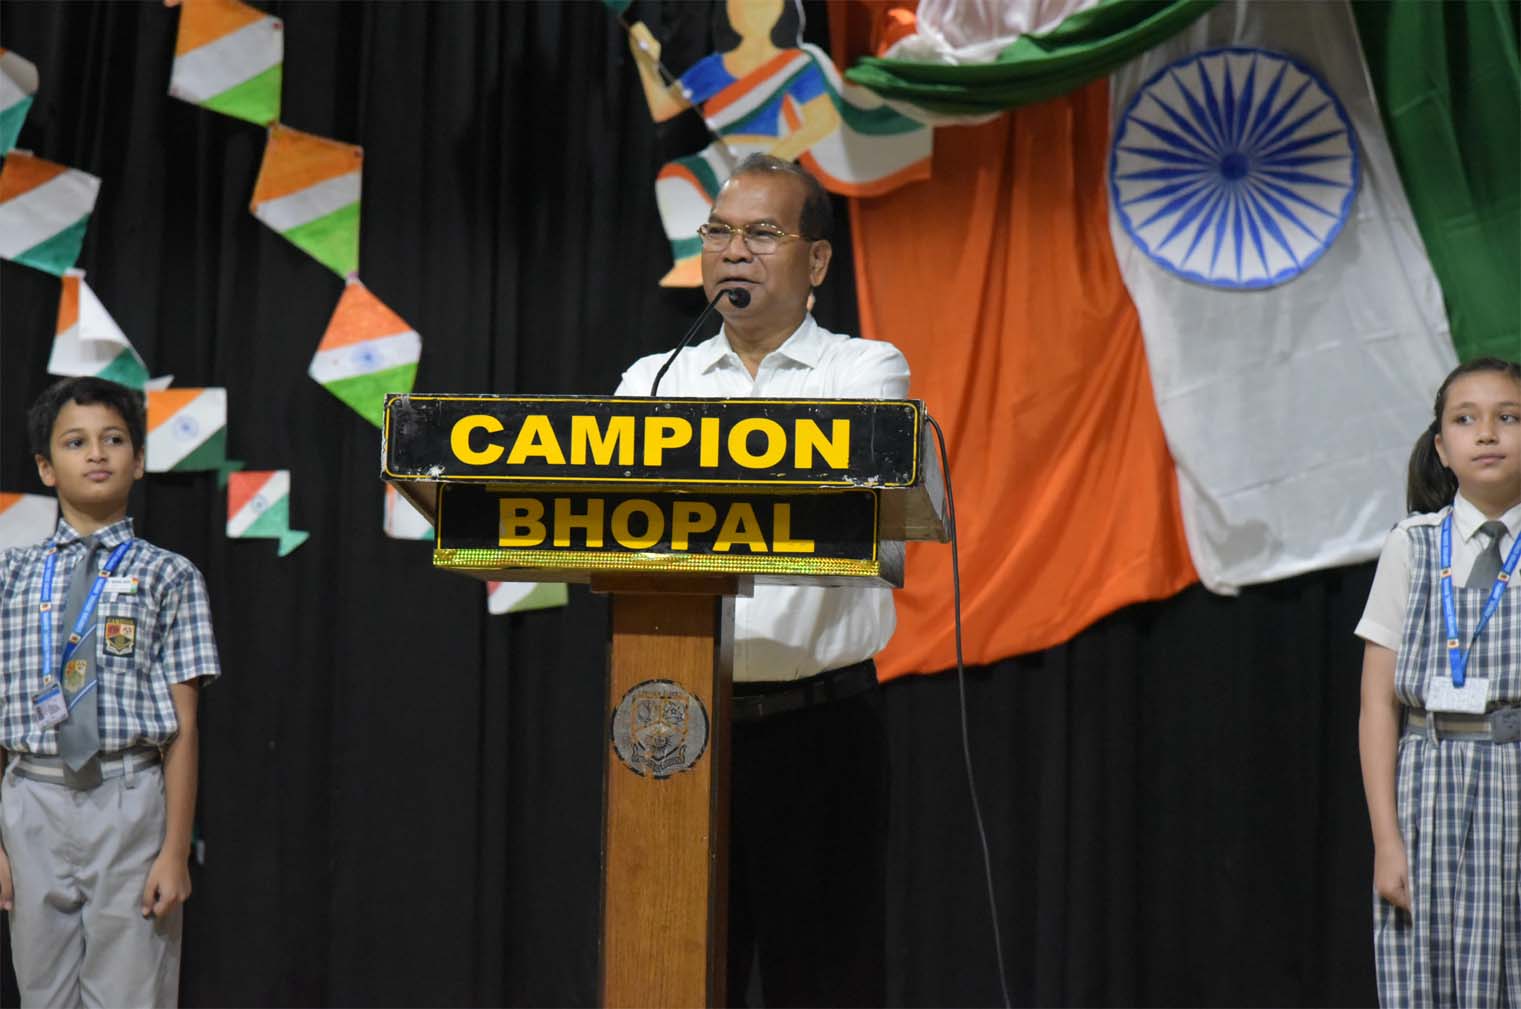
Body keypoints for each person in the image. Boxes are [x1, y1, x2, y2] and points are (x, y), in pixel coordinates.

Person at [616, 154, 910, 1007]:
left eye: (760, 233)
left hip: (820, 727)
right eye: (718, 232)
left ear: (816, 261)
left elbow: (844, 491)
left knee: (823, 984)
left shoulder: (864, 371)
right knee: (672, 970)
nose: (732, 251)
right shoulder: (653, 381)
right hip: (675, 723)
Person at [0, 377, 221, 1007]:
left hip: (129, 799)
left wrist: (174, 852)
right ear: (46, 467)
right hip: (30, 798)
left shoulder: (170, 575)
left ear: (139, 460)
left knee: (131, 993)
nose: (96, 453)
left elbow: (184, 726)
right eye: (75, 442)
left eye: (114, 439)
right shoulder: (10, 574)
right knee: (42, 994)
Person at [1356, 356, 1521, 1007]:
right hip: (1429, 786)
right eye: (1466, 419)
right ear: (1441, 448)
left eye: (1508, 417)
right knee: (1430, 975)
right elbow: (1377, 704)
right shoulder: (1412, 544)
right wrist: (1386, 840)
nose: (1488, 433)